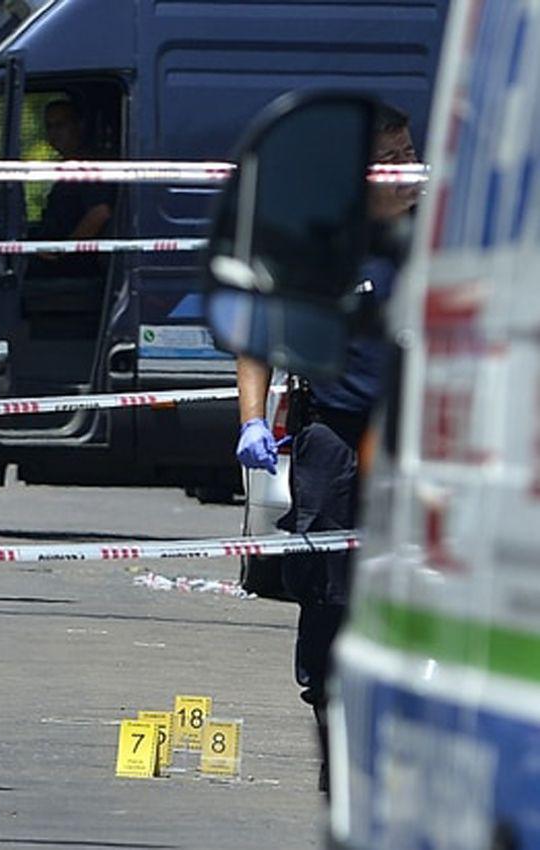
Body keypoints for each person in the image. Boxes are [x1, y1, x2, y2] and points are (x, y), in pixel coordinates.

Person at [233, 102, 418, 792]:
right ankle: (334, 738)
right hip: (337, 436)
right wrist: (253, 420)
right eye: (390, 160)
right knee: (330, 592)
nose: (407, 172)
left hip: (423, 440)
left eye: (410, 154)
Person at [30, 99, 115, 277]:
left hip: (74, 265)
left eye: (60, 125)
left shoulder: (88, 167)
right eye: (49, 127)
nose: (54, 133)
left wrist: (62, 251)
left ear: (80, 126)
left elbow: (100, 212)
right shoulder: (68, 166)